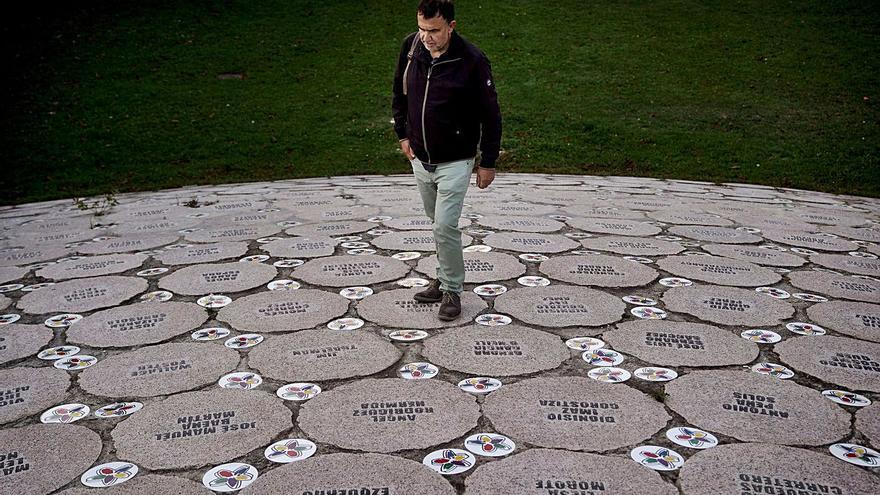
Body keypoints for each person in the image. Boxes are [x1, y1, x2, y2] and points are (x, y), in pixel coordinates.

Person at [392, 0, 502, 321]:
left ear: (451, 26)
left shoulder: (472, 60)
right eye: (422, 29)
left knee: (444, 225)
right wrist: (402, 134)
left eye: (434, 31)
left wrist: (488, 161)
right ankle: (441, 280)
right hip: (421, 157)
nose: (426, 37)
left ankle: (452, 289)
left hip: (456, 159)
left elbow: (491, 115)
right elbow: (399, 94)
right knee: (436, 222)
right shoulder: (411, 47)